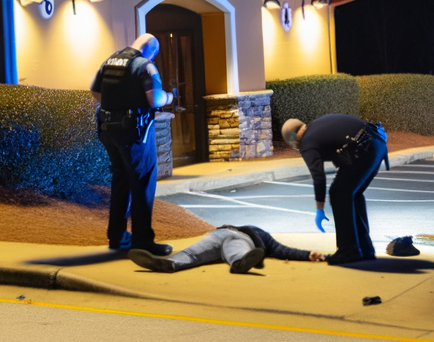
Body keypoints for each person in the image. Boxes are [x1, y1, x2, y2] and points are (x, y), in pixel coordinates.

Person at [90, 33, 174, 256]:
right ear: (152, 51)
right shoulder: (145, 66)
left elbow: (95, 92)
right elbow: (155, 100)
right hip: (135, 133)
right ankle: (143, 241)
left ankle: (116, 236)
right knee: (143, 181)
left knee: (121, 180)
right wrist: (169, 97)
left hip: (109, 132)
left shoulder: (109, 62)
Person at [281, 115, 389, 265]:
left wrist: (319, 209)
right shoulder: (317, 129)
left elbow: (318, 176)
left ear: (293, 141)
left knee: (339, 193)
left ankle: (348, 250)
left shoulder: (306, 142)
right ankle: (365, 248)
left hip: (365, 146)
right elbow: (340, 156)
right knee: (353, 194)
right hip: (377, 143)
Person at [129, 225, 326, 274]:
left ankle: (241, 263)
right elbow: (281, 250)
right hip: (218, 234)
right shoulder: (257, 234)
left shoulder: (261, 235)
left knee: (236, 250)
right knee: (193, 253)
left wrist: (307, 254)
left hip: (240, 238)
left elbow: (282, 250)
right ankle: (165, 264)